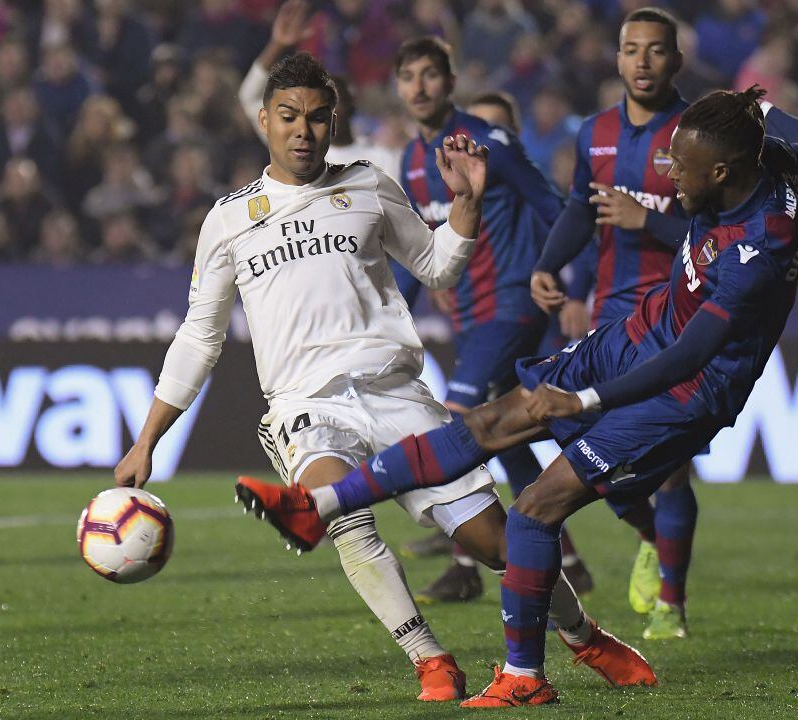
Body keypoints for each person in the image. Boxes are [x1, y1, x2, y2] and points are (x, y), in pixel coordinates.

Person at [236, 86, 798, 707]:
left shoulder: (757, 250)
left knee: (533, 510)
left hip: (685, 391)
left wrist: (585, 403)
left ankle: (526, 676)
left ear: (721, 171)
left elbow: (689, 358)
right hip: (642, 332)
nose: (667, 179)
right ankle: (319, 505)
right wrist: (754, 109)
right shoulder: (767, 161)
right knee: (491, 422)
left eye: (679, 169)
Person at [115, 52, 648, 703]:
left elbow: (436, 266)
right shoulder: (229, 218)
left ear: (333, 121)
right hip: (306, 405)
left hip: (397, 396)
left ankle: (581, 634)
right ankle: (429, 657)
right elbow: (200, 336)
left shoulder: (368, 184)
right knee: (335, 512)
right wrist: (148, 440)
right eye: (289, 117)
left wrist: (465, 204)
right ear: (264, 121)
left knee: (499, 544)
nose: (303, 130)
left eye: (317, 117)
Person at [389, 36, 596, 606]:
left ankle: (466, 565)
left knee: (458, 425)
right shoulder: (410, 160)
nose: (420, 87)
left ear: (450, 82)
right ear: (399, 88)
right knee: (505, 438)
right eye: (409, 77)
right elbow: (416, 250)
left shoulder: (491, 141)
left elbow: (559, 209)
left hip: (513, 303)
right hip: (471, 316)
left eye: (431, 75)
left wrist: (571, 282)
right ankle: (566, 559)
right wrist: (394, 313)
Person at [531, 6, 696, 640]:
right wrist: (550, 264)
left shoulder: (695, 133)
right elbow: (581, 208)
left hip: (682, 317)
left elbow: (717, 234)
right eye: (633, 50)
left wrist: (647, 220)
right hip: (613, 316)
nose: (644, 62)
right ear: (618, 58)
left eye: (657, 51)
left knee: (672, 461)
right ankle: (654, 533)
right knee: (583, 439)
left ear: (675, 60)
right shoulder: (595, 131)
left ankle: (671, 604)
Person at [237, 0, 401, 179]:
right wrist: (278, 44)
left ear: (351, 103)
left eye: (334, 102)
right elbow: (249, 96)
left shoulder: (380, 158)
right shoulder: (296, 150)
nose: (326, 111)